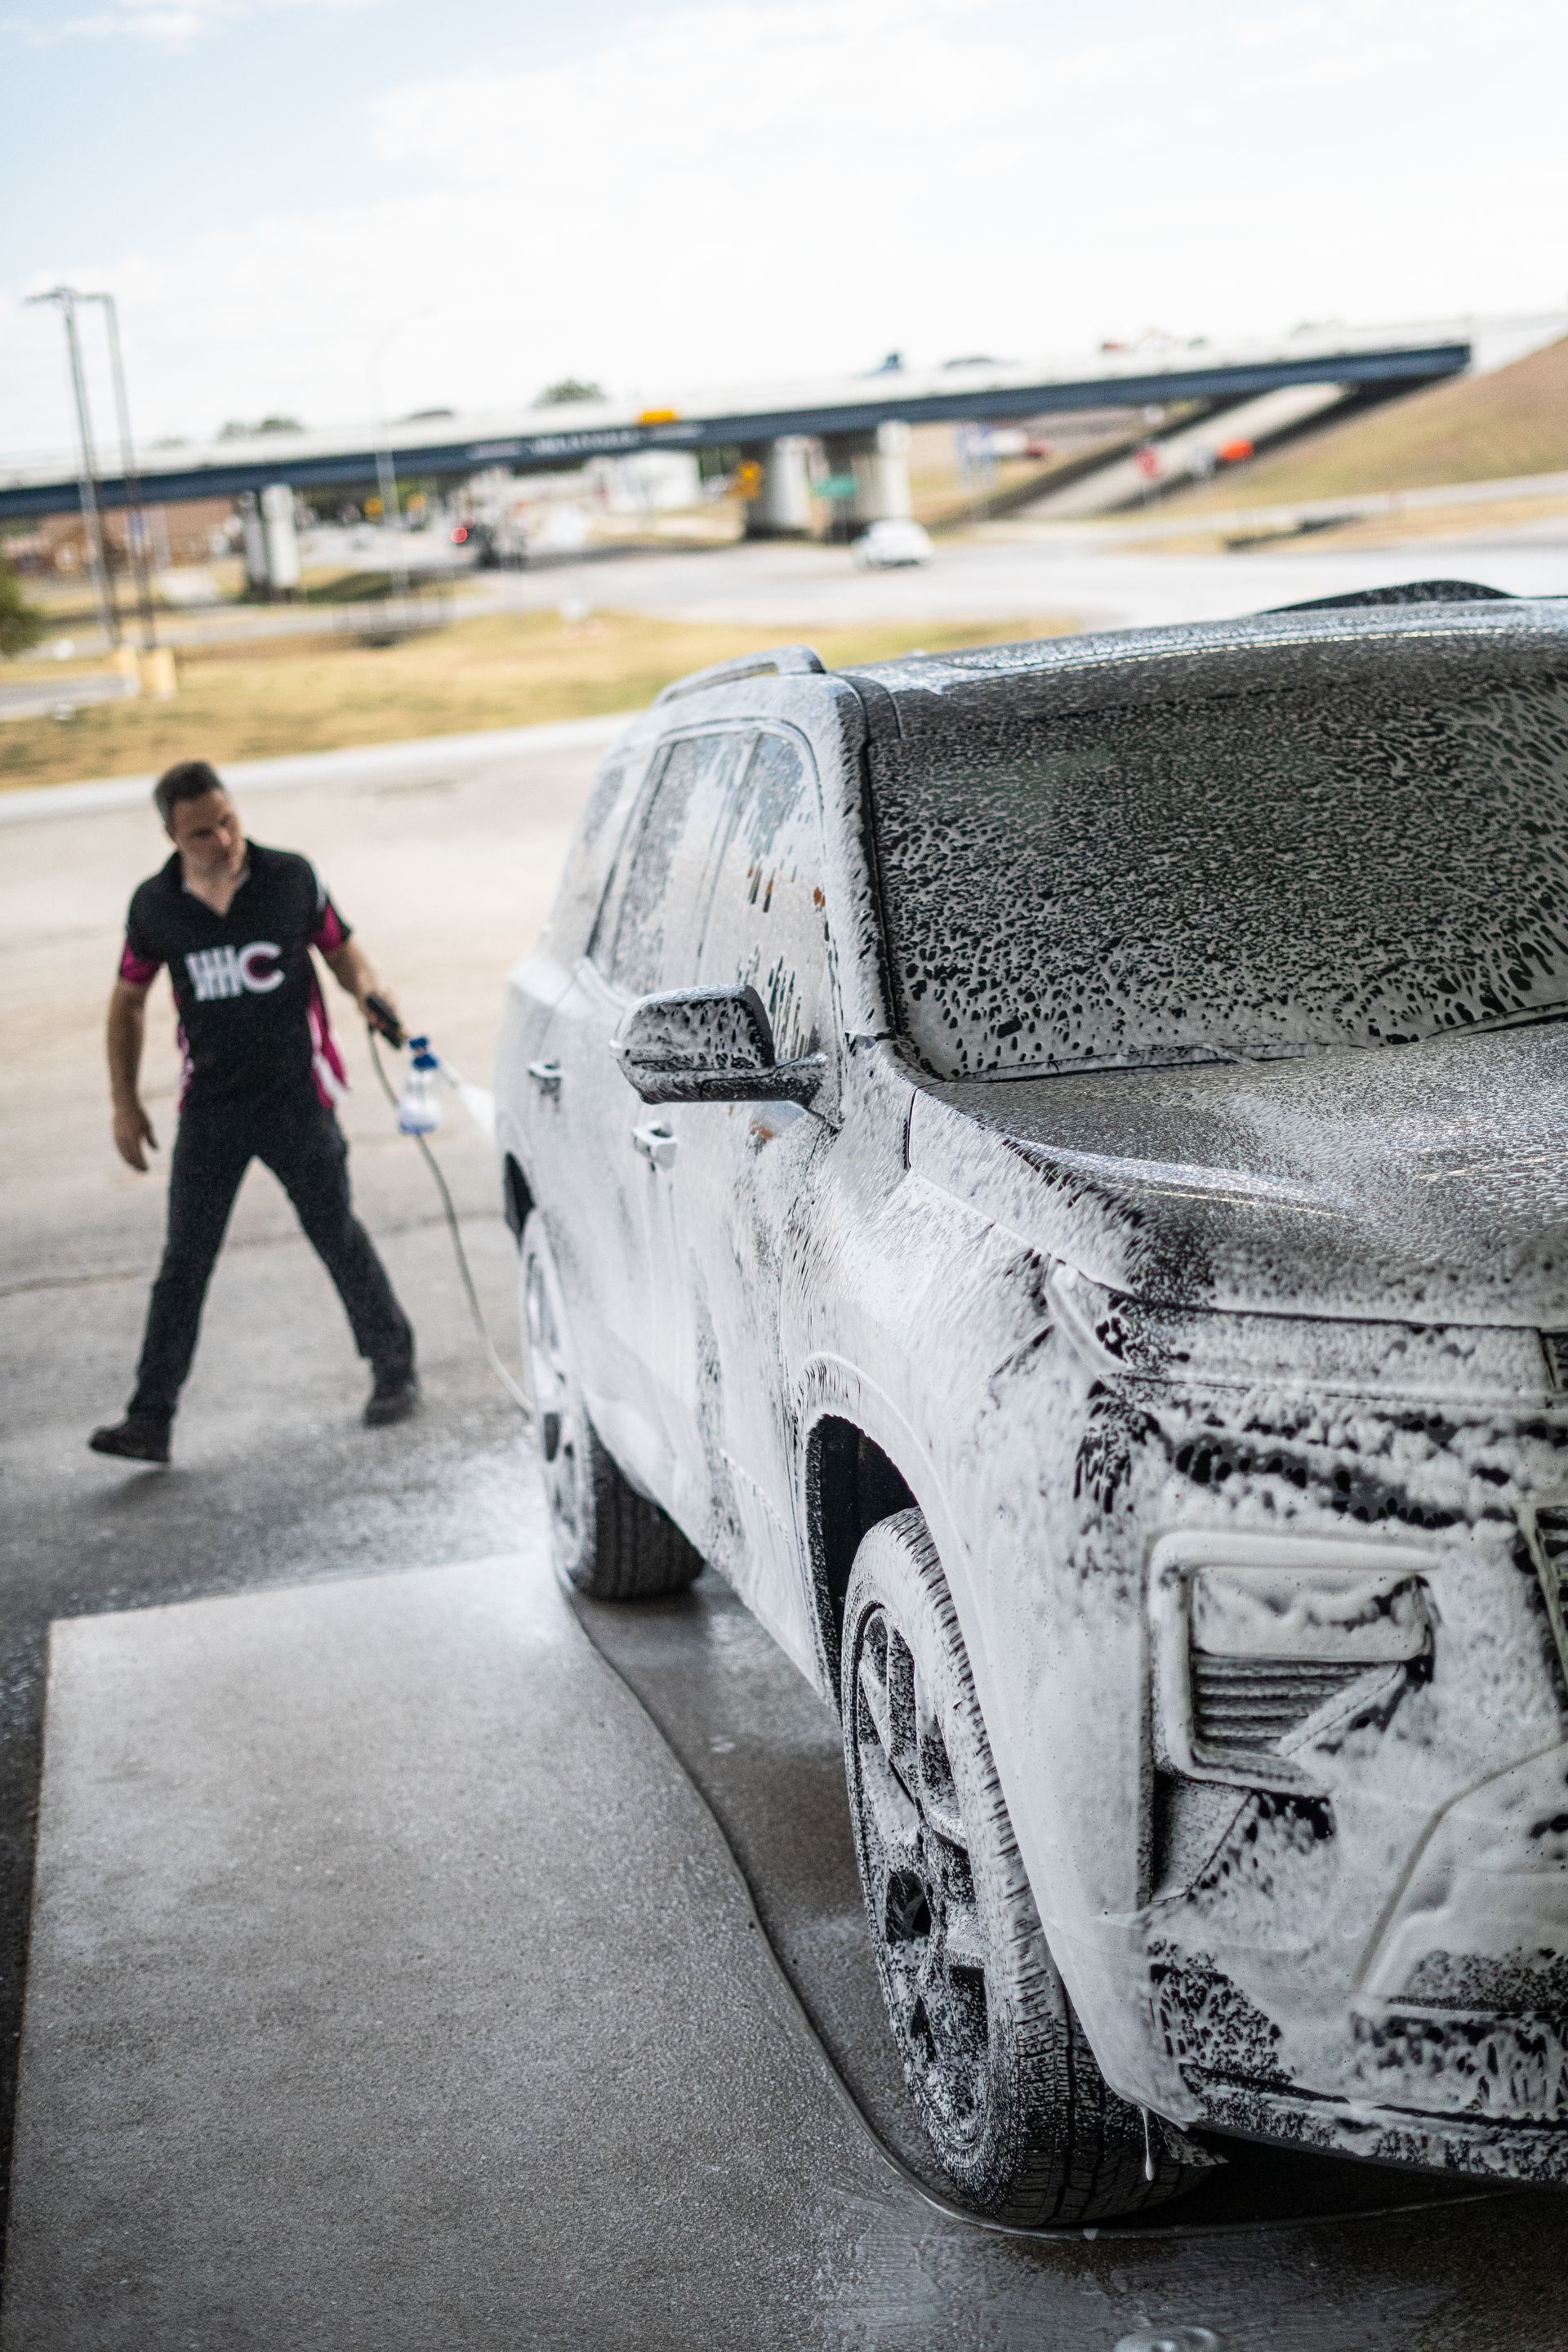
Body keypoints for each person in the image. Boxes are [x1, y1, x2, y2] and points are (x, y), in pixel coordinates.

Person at [89, 760, 417, 1463]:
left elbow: (342, 951)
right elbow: (128, 1001)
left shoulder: (290, 877)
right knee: (184, 1261)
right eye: (202, 833)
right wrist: (124, 1102)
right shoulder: (155, 907)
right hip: (211, 1106)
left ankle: (395, 1367)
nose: (224, 840)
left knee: (335, 1231)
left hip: (297, 1096)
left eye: (228, 820)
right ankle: (150, 1418)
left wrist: (368, 992)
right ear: (172, 837)